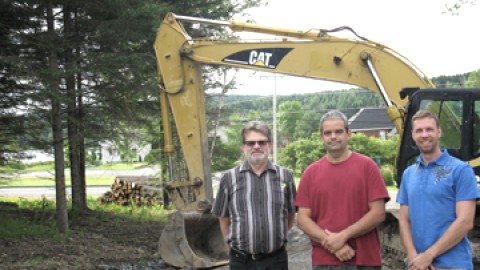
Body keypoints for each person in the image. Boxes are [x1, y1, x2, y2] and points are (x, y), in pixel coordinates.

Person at [295, 110, 390, 269]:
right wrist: (334, 244)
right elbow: (303, 219)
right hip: (324, 262)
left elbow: (378, 213)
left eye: (338, 131)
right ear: (321, 137)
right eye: (328, 133)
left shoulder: (368, 167)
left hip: (364, 260)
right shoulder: (310, 173)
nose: (333, 136)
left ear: (348, 134)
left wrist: (343, 236)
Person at [396, 109, 479, 270]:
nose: (424, 135)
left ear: (439, 132)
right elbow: (404, 220)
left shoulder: (461, 170)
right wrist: (414, 258)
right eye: (419, 130)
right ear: (413, 135)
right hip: (418, 265)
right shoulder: (408, 174)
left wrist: (428, 256)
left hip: (453, 264)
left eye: (429, 129)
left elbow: (465, 222)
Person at [211, 120, 297, 270]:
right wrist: (231, 244)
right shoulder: (228, 178)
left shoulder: (286, 176)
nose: (256, 146)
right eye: (251, 143)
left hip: (276, 260)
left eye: (262, 142)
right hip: (242, 261)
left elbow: (290, 215)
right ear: (243, 147)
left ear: (269, 145)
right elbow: (223, 217)